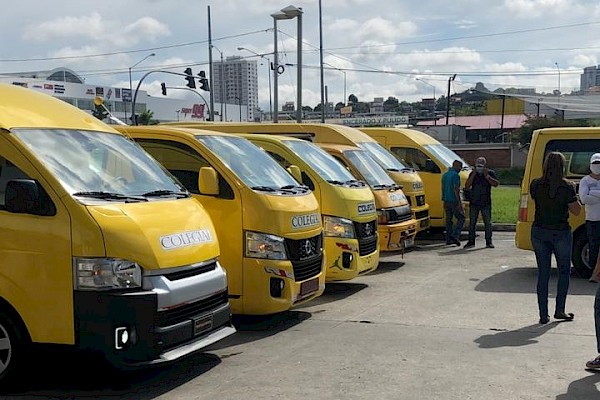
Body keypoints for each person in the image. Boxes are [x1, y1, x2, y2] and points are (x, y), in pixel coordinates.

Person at [530, 151, 581, 325]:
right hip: (560, 232)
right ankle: (560, 310)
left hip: (539, 231)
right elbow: (576, 210)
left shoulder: (535, 184)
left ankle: (543, 314)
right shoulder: (567, 186)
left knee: (543, 273)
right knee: (564, 271)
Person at [463, 157, 499, 249]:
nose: (479, 166)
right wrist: (473, 174)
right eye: (478, 164)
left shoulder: (490, 173)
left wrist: (487, 176)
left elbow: (496, 184)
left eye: (481, 164)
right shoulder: (473, 174)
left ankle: (489, 242)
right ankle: (471, 242)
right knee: (472, 223)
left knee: (487, 223)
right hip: (474, 202)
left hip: (486, 202)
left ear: (484, 165)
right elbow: (467, 186)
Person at [579, 153, 600, 277]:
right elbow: (584, 199)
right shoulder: (585, 180)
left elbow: (589, 196)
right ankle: (594, 272)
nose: (597, 166)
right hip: (592, 219)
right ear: (590, 165)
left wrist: (593, 193)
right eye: (595, 164)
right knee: (593, 246)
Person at [441, 159, 465, 246]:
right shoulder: (455, 175)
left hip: (446, 200)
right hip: (454, 201)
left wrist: (443, 200)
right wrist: (460, 203)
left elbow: (443, 189)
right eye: (460, 167)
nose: (460, 169)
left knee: (449, 220)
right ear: (456, 166)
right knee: (461, 218)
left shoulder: (445, 175)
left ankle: (448, 239)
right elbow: (456, 189)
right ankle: (455, 235)